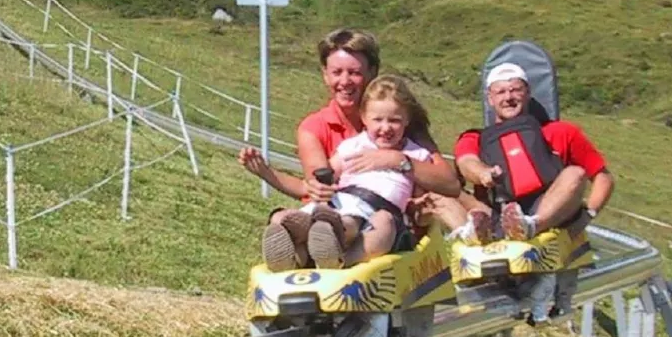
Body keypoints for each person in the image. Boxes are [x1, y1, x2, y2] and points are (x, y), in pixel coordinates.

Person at [240, 28, 459, 267]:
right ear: (325, 75)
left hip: (385, 223)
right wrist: (269, 173)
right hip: (334, 212)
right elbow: (317, 184)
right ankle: (295, 258)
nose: (345, 82)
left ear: (372, 72)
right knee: (295, 219)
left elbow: (449, 184)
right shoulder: (316, 128)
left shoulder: (403, 126)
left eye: (354, 73)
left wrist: (396, 159)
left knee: (373, 222)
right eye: (337, 72)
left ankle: (326, 254)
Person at [261, 75, 436, 269]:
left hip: (379, 214)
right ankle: (295, 253)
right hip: (340, 202)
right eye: (378, 120)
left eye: (394, 121)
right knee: (284, 218)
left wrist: (422, 210)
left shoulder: (416, 155)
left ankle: (340, 258)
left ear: (407, 120)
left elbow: (418, 207)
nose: (385, 128)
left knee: (377, 223)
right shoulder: (353, 145)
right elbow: (326, 177)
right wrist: (319, 187)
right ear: (364, 118)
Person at [453, 62, 614, 239]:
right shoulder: (475, 138)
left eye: (516, 90)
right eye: (500, 92)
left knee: (575, 172)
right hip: (497, 213)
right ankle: (480, 232)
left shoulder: (562, 132)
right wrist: (483, 173)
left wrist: (587, 216)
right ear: (490, 99)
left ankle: (531, 226)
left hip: (548, 210)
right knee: (445, 189)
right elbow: (466, 162)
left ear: (528, 93)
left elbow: (603, 177)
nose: (509, 97)